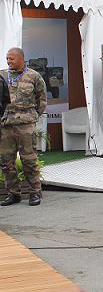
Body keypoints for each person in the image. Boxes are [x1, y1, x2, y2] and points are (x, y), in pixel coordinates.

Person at [0, 47, 47, 207]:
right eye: (7, 59)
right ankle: (13, 193)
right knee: (6, 161)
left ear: (21, 59)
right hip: (6, 124)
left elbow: (42, 100)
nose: (8, 61)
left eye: (11, 58)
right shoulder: (2, 75)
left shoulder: (34, 76)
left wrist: (33, 117)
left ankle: (34, 192)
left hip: (26, 124)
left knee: (29, 159)